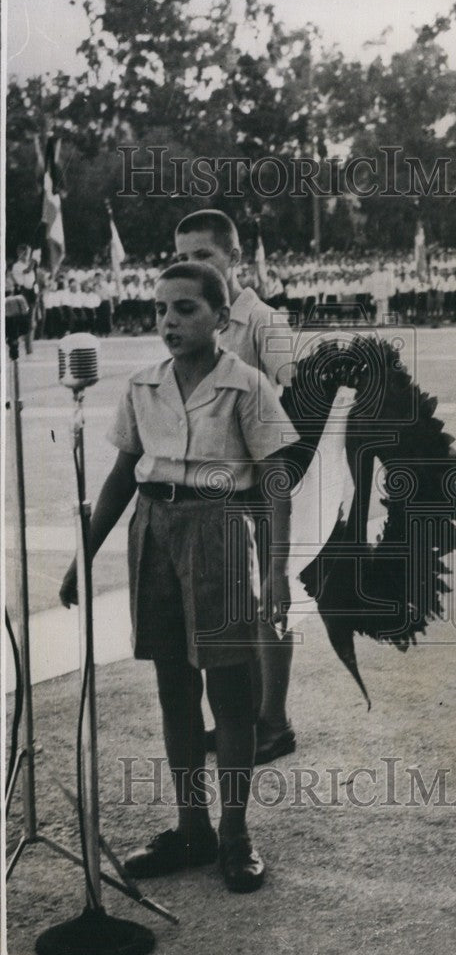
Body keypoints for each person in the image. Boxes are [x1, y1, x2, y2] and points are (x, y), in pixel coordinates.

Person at [59, 261, 298, 890]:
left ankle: (235, 833)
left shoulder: (246, 386)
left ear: (222, 318)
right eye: (161, 308)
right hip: (154, 532)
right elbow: (120, 477)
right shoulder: (142, 385)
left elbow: (276, 485)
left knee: (230, 690)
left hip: (217, 532)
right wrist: (83, 554)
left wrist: (275, 572)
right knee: (173, 684)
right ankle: (192, 827)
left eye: (186, 308)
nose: (169, 320)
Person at [174, 210, 298, 765]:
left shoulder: (263, 322)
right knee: (239, 601)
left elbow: (299, 398)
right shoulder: (198, 316)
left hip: (262, 478)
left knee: (272, 599)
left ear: (235, 260)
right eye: (184, 255)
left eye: (205, 256)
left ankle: (274, 719)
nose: (193, 265)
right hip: (219, 487)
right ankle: (244, 716)